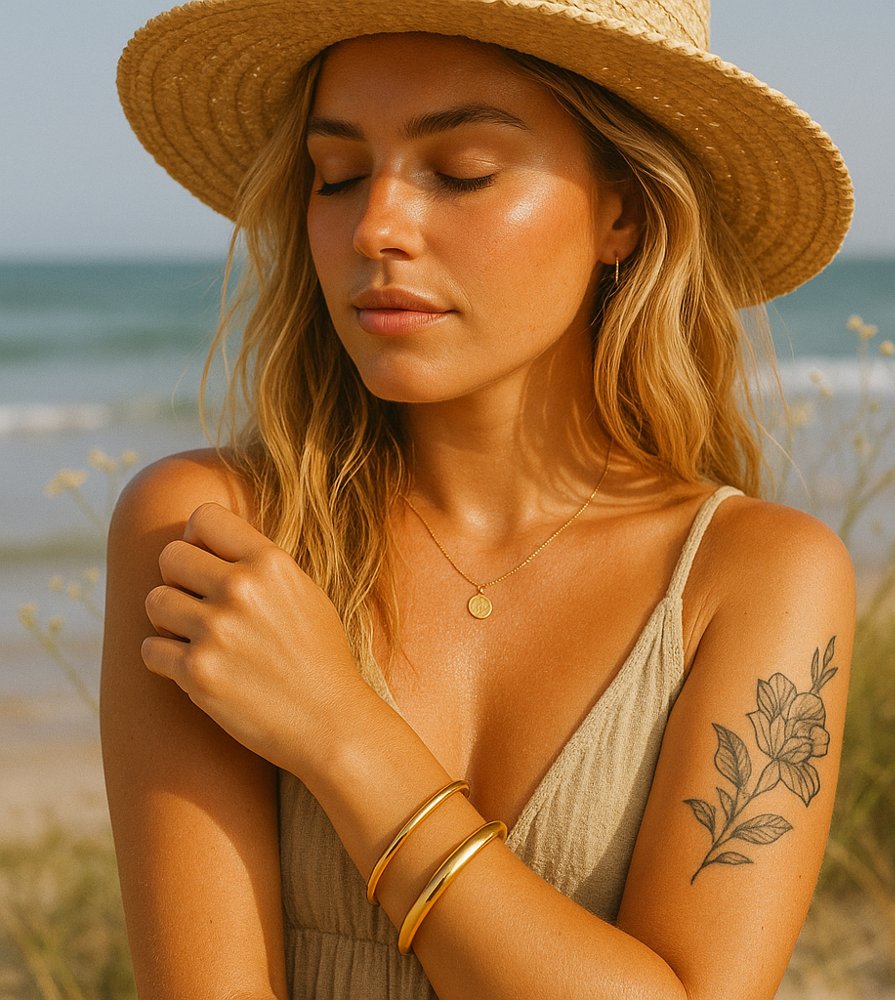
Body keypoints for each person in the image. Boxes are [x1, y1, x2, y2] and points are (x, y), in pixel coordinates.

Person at [103, 2, 856, 997]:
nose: (375, 226)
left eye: (460, 170)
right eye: (336, 174)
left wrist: (339, 729)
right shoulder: (214, 533)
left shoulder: (755, 576)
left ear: (620, 210)